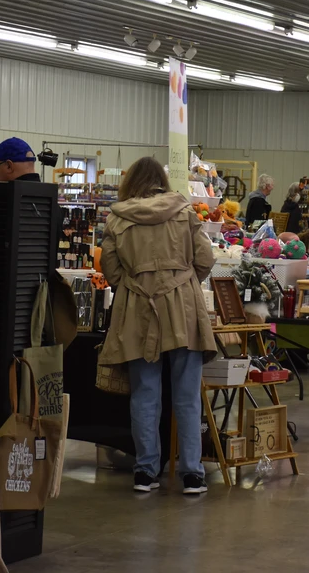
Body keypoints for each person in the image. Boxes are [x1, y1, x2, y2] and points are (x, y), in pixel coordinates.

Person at [97, 156, 216, 495]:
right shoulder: (184, 212)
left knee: (145, 395)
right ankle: (192, 473)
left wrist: (135, 285)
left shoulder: (117, 218)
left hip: (137, 308)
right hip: (183, 308)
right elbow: (205, 259)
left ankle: (145, 472)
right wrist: (185, 283)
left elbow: (111, 268)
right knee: (188, 397)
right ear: (162, 180)